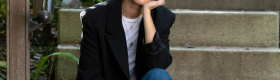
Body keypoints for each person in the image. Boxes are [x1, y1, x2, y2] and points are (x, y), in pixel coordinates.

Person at [76, 0, 175, 79]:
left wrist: (147, 13)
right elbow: (90, 75)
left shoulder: (163, 17)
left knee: (159, 75)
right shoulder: (95, 17)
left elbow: (158, 65)